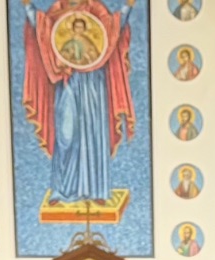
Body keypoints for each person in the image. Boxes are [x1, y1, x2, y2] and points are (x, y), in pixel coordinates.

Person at [22, 0, 137, 206]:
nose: (78, 31)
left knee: (93, 132)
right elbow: (43, 30)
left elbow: (112, 29)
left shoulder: (96, 10)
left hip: (92, 85)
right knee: (65, 135)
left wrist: (127, 7)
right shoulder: (58, 11)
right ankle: (62, 189)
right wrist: (29, 8)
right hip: (68, 82)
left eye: (81, 28)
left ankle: (96, 190)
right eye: (75, 28)